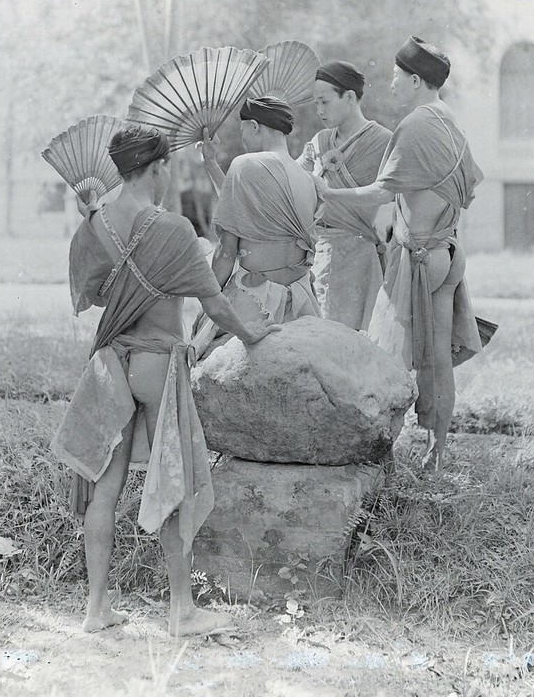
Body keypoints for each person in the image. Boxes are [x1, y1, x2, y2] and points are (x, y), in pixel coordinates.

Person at [50, 127, 278, 636]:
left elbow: (98, 297)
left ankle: (95, 609)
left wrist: (93, 223)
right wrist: (253, 334)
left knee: (105, 492)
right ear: (156, 168)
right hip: (156, 362)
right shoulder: (173, 229)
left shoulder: (95, 223)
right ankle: (181, 610)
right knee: (174, 479)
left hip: (111, 362)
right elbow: (214, 304)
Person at [319, 37, 484, 470]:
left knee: (385, 357)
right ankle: (437, 452)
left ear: (415, 80)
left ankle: (379, 457)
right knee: (436, 363)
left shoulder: (416, 125)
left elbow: (379, 191)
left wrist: (327, 190)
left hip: (421, 257)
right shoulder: (450, 121)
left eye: (396, 76)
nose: (391, 83)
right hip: (449, 252)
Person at [192, 96, 322, 359]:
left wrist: (209, 299)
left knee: (201, 349)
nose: (243, 140)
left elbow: (227, 252)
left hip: (256, 302)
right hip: (301, 302)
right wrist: (211, 163)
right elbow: (244, 204)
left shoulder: (245, 164)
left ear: (254, 126)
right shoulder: (308, 180)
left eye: (242, 132)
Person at [297, 61, 393, 331]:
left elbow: (386, 194)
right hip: (316, 254)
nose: (319, 111)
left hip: (357, 257)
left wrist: (331, 194)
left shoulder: (383, 141)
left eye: (324, 102)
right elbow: (289, 178)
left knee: (346, 343)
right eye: (315, 103)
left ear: (349, 97)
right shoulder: (319, 141)